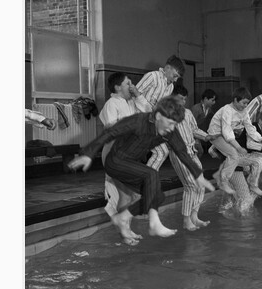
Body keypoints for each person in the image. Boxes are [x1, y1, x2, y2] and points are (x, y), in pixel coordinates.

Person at [68, 96, 214, 246]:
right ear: (158, 116)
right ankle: (154, 223)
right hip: (116, 161)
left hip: (132, 165)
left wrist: (198, 175)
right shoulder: (137, 121)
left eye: (174, 124)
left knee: (157, 196)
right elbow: (109, 133)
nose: (171, 128)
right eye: (170, 123)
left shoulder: (169, 131)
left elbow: (182, 152)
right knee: (151, 174)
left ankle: (123, 218)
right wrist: (88, 154)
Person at [99, 72, 149, 220]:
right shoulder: (112, 104)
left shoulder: (130, 103)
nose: (132, 86)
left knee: (133, 193)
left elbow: (148, 111)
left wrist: (138, 95)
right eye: (128, 83)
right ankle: (123, 226)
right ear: (117, 87)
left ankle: (125, 222)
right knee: (125, 195)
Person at [171, 86, 218, 230]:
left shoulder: (188, 112)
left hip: (191, 151)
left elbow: (194, 129)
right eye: (180, 98)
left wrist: (207, 136)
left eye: (185, 99)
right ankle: (186, 220)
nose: (183, 102)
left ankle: (194, 216)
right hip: (179, 153)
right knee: (190, 185)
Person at [207, 87, 262, 197]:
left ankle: (250, 184)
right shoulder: (227, 110)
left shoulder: (244, 112)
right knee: (233, 154)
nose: (245, 106)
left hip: (228, 136)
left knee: (254, 160)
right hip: (216, 135)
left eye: (247, 103)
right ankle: (223, 181)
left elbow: (250, 128)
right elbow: (227, 131)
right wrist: (238, 147)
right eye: (243, 103)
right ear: (235, 100)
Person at [135, 55, 185, 171]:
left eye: (178, 77)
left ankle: (147, 180)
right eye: (175, 76)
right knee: (159, 153)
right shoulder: (152, 77)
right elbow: (134, 95)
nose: (176, 80)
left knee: (161, 153)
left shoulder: (170, 86)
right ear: (167, 68)